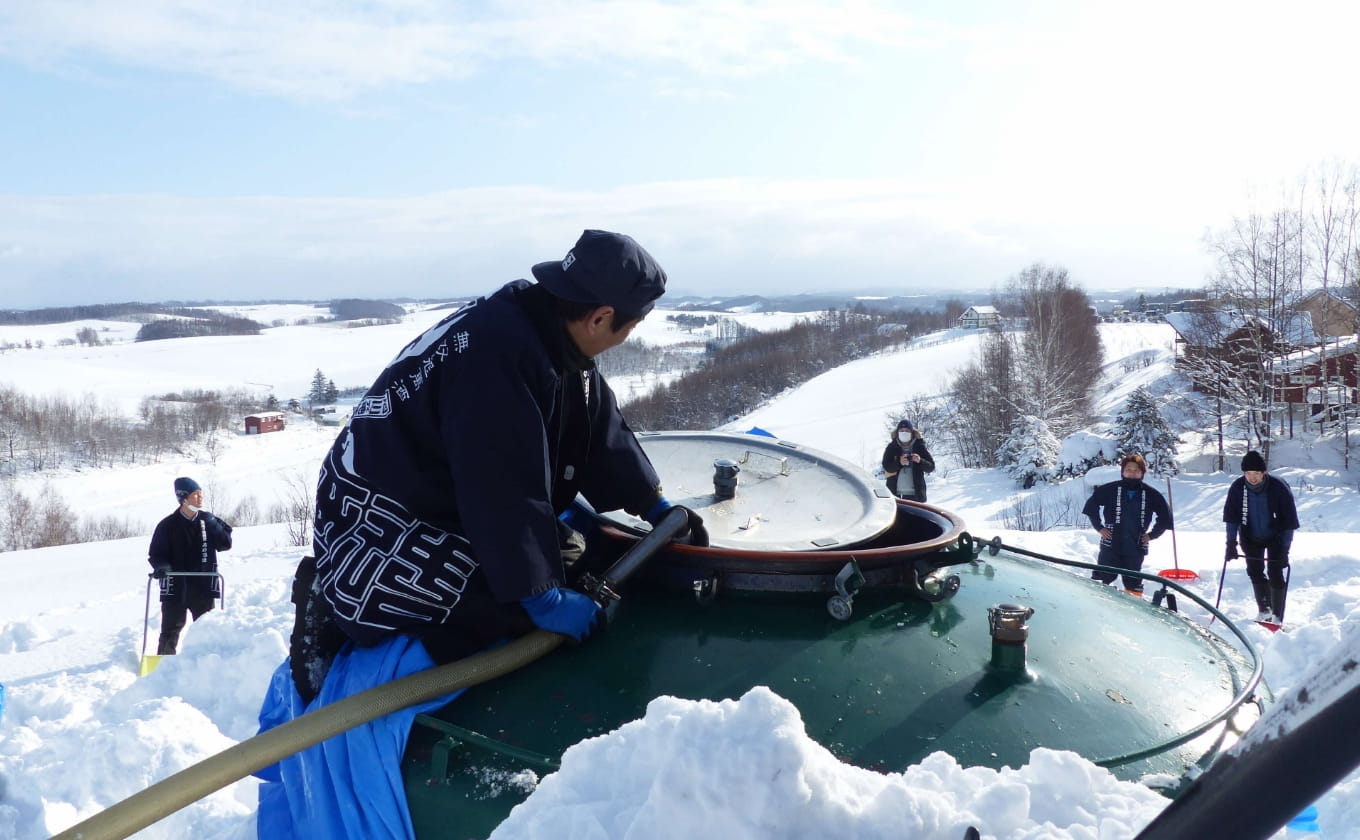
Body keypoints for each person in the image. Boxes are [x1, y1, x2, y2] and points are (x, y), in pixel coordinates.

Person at [257, 230, 707, 839]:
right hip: (380, 516)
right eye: (629, 324)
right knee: (494, 606)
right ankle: (329, 616)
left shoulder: (543, 327)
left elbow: (595, 423)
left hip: (437, 493)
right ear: (600, 315)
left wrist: (650, 502)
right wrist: (541, 598)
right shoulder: (498, 356)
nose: (629, 336)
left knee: (569, 550)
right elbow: (504, 486)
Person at [146, 476, 232, 655]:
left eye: (201, 494)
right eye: (195, 495)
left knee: (206, 630)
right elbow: (156, 554)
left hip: (203, 586)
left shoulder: (208, 520)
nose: (200, 498)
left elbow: (225, 544)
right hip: (175, 586)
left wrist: (215, 526)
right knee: (170, 630)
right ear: (183, 498)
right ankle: (162, 668)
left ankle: (205, 664)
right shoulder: (167, 525)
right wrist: (162, 567)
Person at [1223, 450, 1299, 623]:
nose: (1252, 477)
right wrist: (1231, 543)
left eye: (1256, 473)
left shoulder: (1278, 487)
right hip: (1250, 536)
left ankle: (1277, 616)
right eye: (1248, 473)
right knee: (1255, 571)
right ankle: (1264, 610)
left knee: (1275, 572)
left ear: (1264, 472)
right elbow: (1231, 519)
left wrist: (1285, 550)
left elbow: (1289, 523)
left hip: (1276, 537)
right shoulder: (1237, 488)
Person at [1081, 454, 1172, 596]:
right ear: (1123, 471)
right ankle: (1093, 602)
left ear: (1142, 472)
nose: (1132, 472)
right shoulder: (1110, 489)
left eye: (1136, 470)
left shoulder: (1150, 494)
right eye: (1128, 469)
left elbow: (1165, 517)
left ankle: (1133, 611)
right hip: (1111, 542)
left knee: (1133, 583)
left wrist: (1152, 535)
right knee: (1101, 578)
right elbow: (1091, 508)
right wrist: (1099, 527)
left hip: (1136, 544)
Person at [881, 419, 935, 502]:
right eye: (901, 430)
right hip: (894, 494)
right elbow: (887, 467)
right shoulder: (891, 447)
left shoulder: (919, 446)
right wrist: (899, 463)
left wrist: (920, 461)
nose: (904, 433)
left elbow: (930, 467)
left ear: (912, 432)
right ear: (897, 433)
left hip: (916, 495)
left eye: (907, 430)